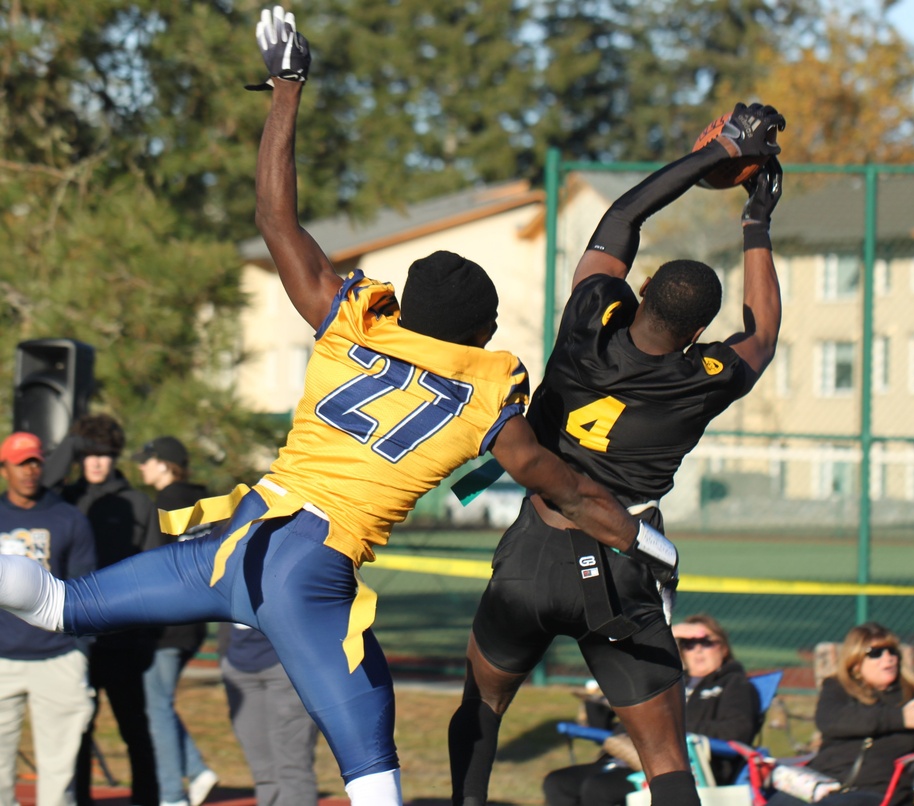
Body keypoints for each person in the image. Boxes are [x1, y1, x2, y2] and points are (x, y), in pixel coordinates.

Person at [0, 7, 682, 806]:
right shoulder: (486, 395)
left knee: (55, 605)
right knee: (370, 767)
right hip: (309, 573)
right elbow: (558, 484)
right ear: (481, 330)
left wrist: (286, 87)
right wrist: (640, 539)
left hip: (235, 539)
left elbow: (274, 219)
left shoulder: (348, 319)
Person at [447, 102, 786, 806]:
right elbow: (763, 334)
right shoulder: (702, 380)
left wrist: (711, 154)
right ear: (698, 334)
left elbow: (622, 219)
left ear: (637, 299)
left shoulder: (587, 322)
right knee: (665, 758)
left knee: (481, 709)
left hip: (537, 546)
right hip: (624, 557)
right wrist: (756, 223)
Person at [767, 623, 914, 806]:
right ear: (856, 662)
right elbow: (832, 721)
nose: (888, 658)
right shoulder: (837, 688)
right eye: (876, 653)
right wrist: (900, 719)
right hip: (821, 782)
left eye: (892, 651)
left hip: (877, 792)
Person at [542, 614, 760, 806]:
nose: (698, 649)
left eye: (706, 641)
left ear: (723, 648)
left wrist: (670, 727)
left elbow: (737, 730)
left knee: (599, 788)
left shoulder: (734, 684)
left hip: (683, 765)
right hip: (625, 758)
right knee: (558, 783)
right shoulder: (669, 681)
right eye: (689, 644)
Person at [60, 414, 162, 806]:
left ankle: (146, 799)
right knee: (76, 730)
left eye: (105, 454)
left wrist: (148, 638)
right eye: (89, 454)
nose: (97, 462)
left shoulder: (139, 503)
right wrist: (69, 445)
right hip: (73, 640)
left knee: (134, 727)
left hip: (124, 639)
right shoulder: (65, 500)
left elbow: (155, 570)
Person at [0, 432, 96, 806]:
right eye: (21, 463)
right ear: (5, 468)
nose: (30, 470)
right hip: (3, 659)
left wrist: (80, 652)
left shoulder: (68, 518)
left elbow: (86, 590)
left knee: (59, 780)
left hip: (57, 658)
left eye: (36, 462)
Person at [133, 436, 218, 806]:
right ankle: (196, 772)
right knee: (159, 703)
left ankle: (172, 793)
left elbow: (153, 565)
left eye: (146, 461)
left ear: (165, 464)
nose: (140, 467)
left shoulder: (164, 504)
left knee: (156, 707)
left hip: (169, 623)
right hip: (198, 618)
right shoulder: (206, 502)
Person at [217, 622, 319, 806]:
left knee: (293, 766)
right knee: (263, 771)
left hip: (287, 665)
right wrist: (225, 656)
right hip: (238, 665)